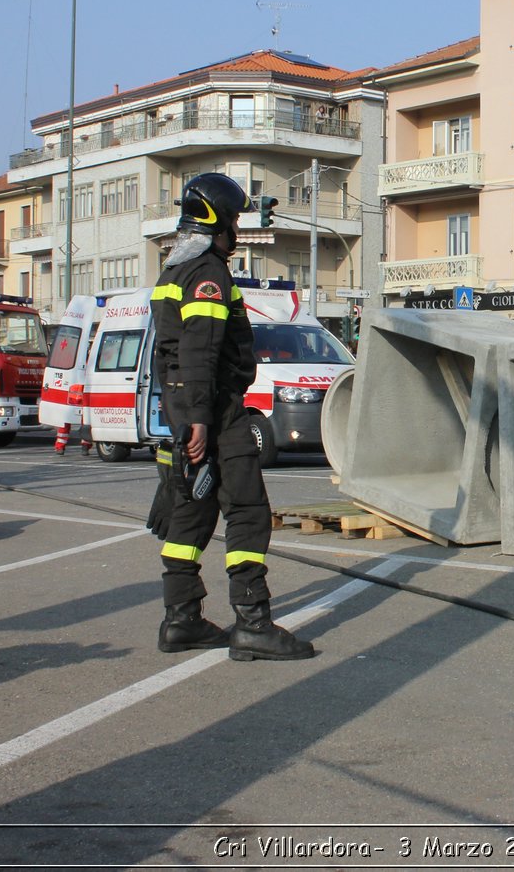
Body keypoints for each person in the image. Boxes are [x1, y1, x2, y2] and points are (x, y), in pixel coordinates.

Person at [148, 173, 315, 662]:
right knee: (246, 510)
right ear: (219, 221)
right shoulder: (207, 274)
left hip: (184, 408)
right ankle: (253, 624)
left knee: (190, 515)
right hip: (216, 411)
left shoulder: (170, 273)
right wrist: (202, 417)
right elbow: (201, 348)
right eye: (235, 219)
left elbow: (167, 356)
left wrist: (181, 417)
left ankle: (181, 620)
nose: (238, 228)